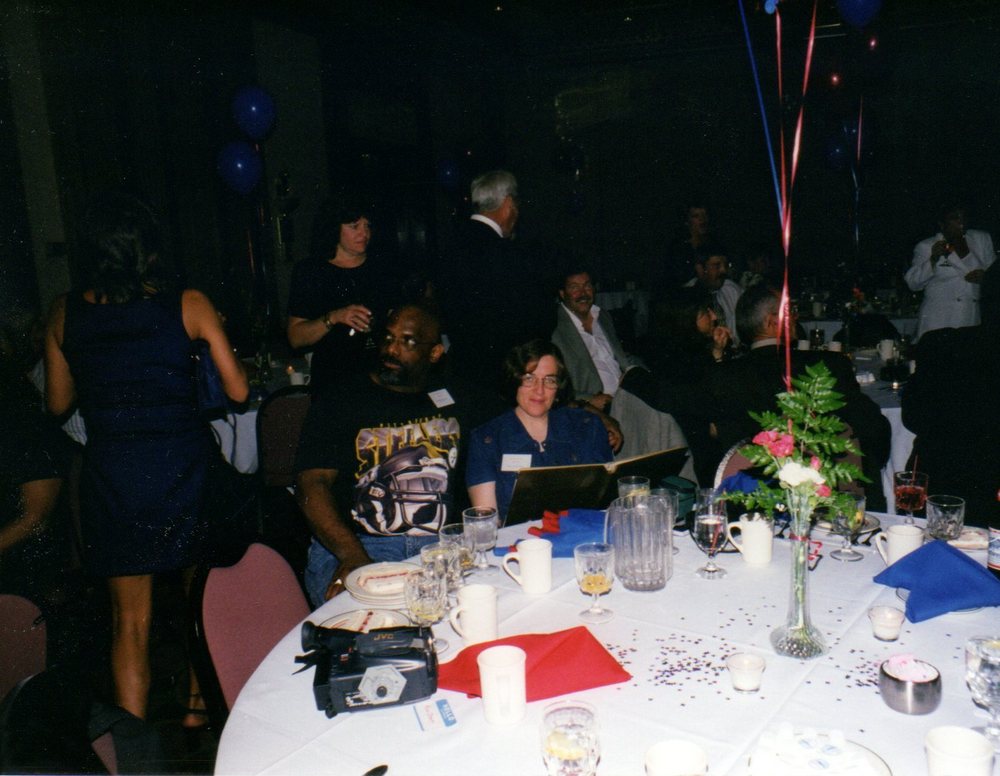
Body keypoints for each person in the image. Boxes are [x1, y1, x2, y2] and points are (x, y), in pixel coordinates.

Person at [44, 192, 248, 721]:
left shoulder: (64, 313)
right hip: (183, 470)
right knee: (199, 603)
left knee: (129, 623)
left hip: (116, 478)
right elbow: (240, 391)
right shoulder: (189, 303)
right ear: (149, 249)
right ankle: (196, 709)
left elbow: (58, 404)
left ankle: (132, 734)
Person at [295, 302, 495, 608]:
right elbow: (311, 485)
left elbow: (516, 420)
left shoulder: (459, 396)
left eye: (408, 341)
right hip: (359, 544)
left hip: (440, 546)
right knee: (372, 623)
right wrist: (352, 554)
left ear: (435, 353)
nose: (391, 349)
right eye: (388, 338)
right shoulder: (342, 399)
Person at [709, 284, 891, 508]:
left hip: (753, 502)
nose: (795, 317)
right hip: (828, 499)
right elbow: (873, 429)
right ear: (772, 321)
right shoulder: (830, 364)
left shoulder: (724, 375)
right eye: (790, 312)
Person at [551, 266, 688, 463]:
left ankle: (672, 469)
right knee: (663, 418)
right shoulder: (554, 329)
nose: (583, 293)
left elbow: (622, 357)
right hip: (600, 404)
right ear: (562, 293)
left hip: (628, 390)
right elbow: (553, 386)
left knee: (670, 409)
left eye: (587, 286)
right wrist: (589, 399)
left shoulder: (602, 316)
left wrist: (639, 372)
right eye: (574, 287)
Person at [466, 340, 613, 523]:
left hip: (584, 534)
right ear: (515, 380)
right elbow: (487, 523)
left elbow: (606, 503)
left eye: (550, 380)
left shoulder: (587, 427)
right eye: (529, 378)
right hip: (519, 539)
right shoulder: (487, 439)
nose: (539, 391)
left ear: (558, 386)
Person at [286, 193, 406, 394]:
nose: (364, 233)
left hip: (381, 376)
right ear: (334, 228)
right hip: (333, 380)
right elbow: (295, 338)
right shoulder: (311, 271)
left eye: (367, 226)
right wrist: (334, 317)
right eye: (354, 226)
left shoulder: (383, 266)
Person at [442, 170, 555, 381]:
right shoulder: (508, 252)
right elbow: (537, 316)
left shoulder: (451, 243)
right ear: (508, 203)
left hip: (465, 366)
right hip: (504, 369)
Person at [901, 326, 1000, 526]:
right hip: (986, 466)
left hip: (935, 465)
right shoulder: (988, 369)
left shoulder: (931, 359)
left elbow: (912, 420)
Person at [904, 203, 995, 341]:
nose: (960, 221)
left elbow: (994, 274)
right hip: (938, 320)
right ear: (942, 224)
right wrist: (933, 259)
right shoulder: (927, 246)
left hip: (970, 318)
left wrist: (986, 277)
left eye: (963, 217)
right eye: (954, 217)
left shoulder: (981, 239)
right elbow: (913, 283)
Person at [685, 245, 743, 347]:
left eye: (726, 265)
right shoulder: (686, 297)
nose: (723, 270)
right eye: (717, 266)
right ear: (700, 269)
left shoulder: (731, 289)